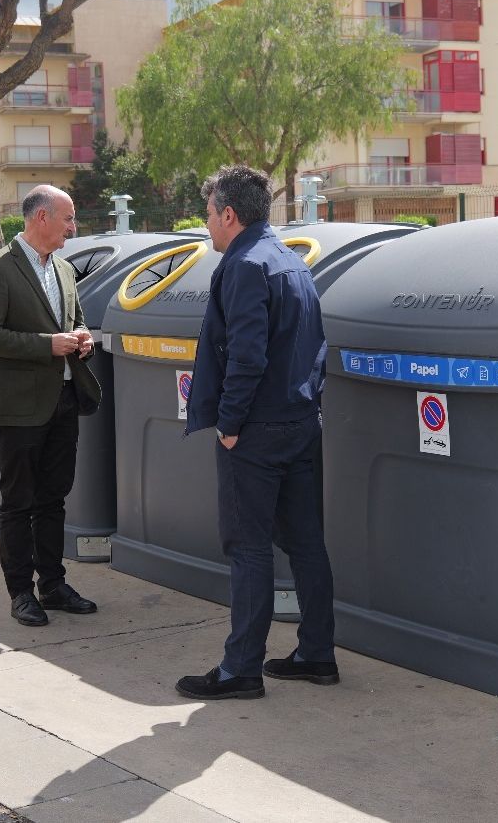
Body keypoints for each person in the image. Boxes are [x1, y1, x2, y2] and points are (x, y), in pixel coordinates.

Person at [175, 165, 337, 701]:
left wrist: (228, 424)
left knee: (248, 549)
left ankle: (240, 669)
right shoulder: (290, 260)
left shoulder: (245, 266)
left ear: (229, 214)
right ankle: (317, 654)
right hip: (300, 422)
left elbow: (247, 355)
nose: (206, 226)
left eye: (208, 215)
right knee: (307, 545)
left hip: (256, 432)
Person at [0, 184, 101, 627]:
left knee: (53, 499)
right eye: (68, 218)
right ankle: (21, 592)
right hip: (20, 407)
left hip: (63, 400)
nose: (73, 227)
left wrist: (82, 339)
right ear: (41, 217)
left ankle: (53, 584)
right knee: (18, 503)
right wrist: (47, 345)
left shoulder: (63, 268)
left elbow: (74, 321)